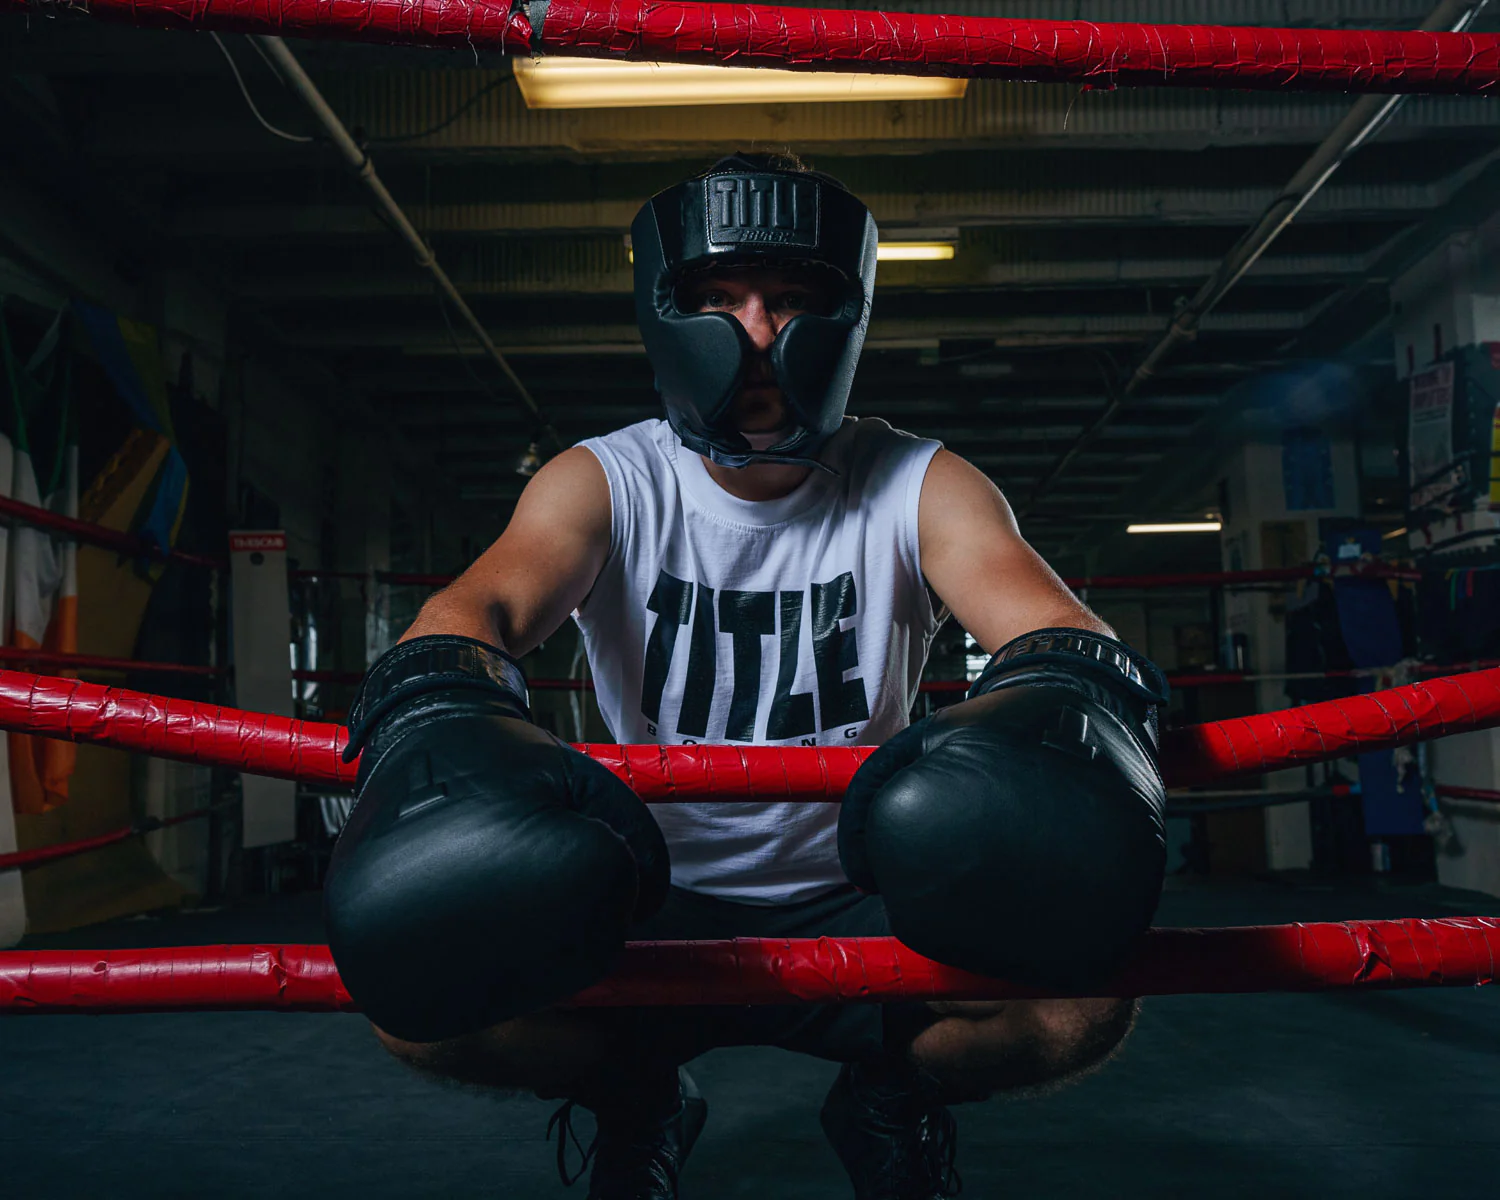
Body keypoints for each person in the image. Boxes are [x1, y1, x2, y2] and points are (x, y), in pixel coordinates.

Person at [324, 153, 1168, 1200]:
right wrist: (443, 689)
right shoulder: (607, 479)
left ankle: (889, 1094)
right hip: (649, 900)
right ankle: (639, 1098)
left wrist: (1063, 692)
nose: (756, 337)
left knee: (1082, 1007)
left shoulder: (919, 481)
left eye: (791, 301)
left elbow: (1048, 624)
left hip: (855, 895)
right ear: (664, 312)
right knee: (424, 1011)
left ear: (844, 318)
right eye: (719, 301)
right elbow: (480, 606)